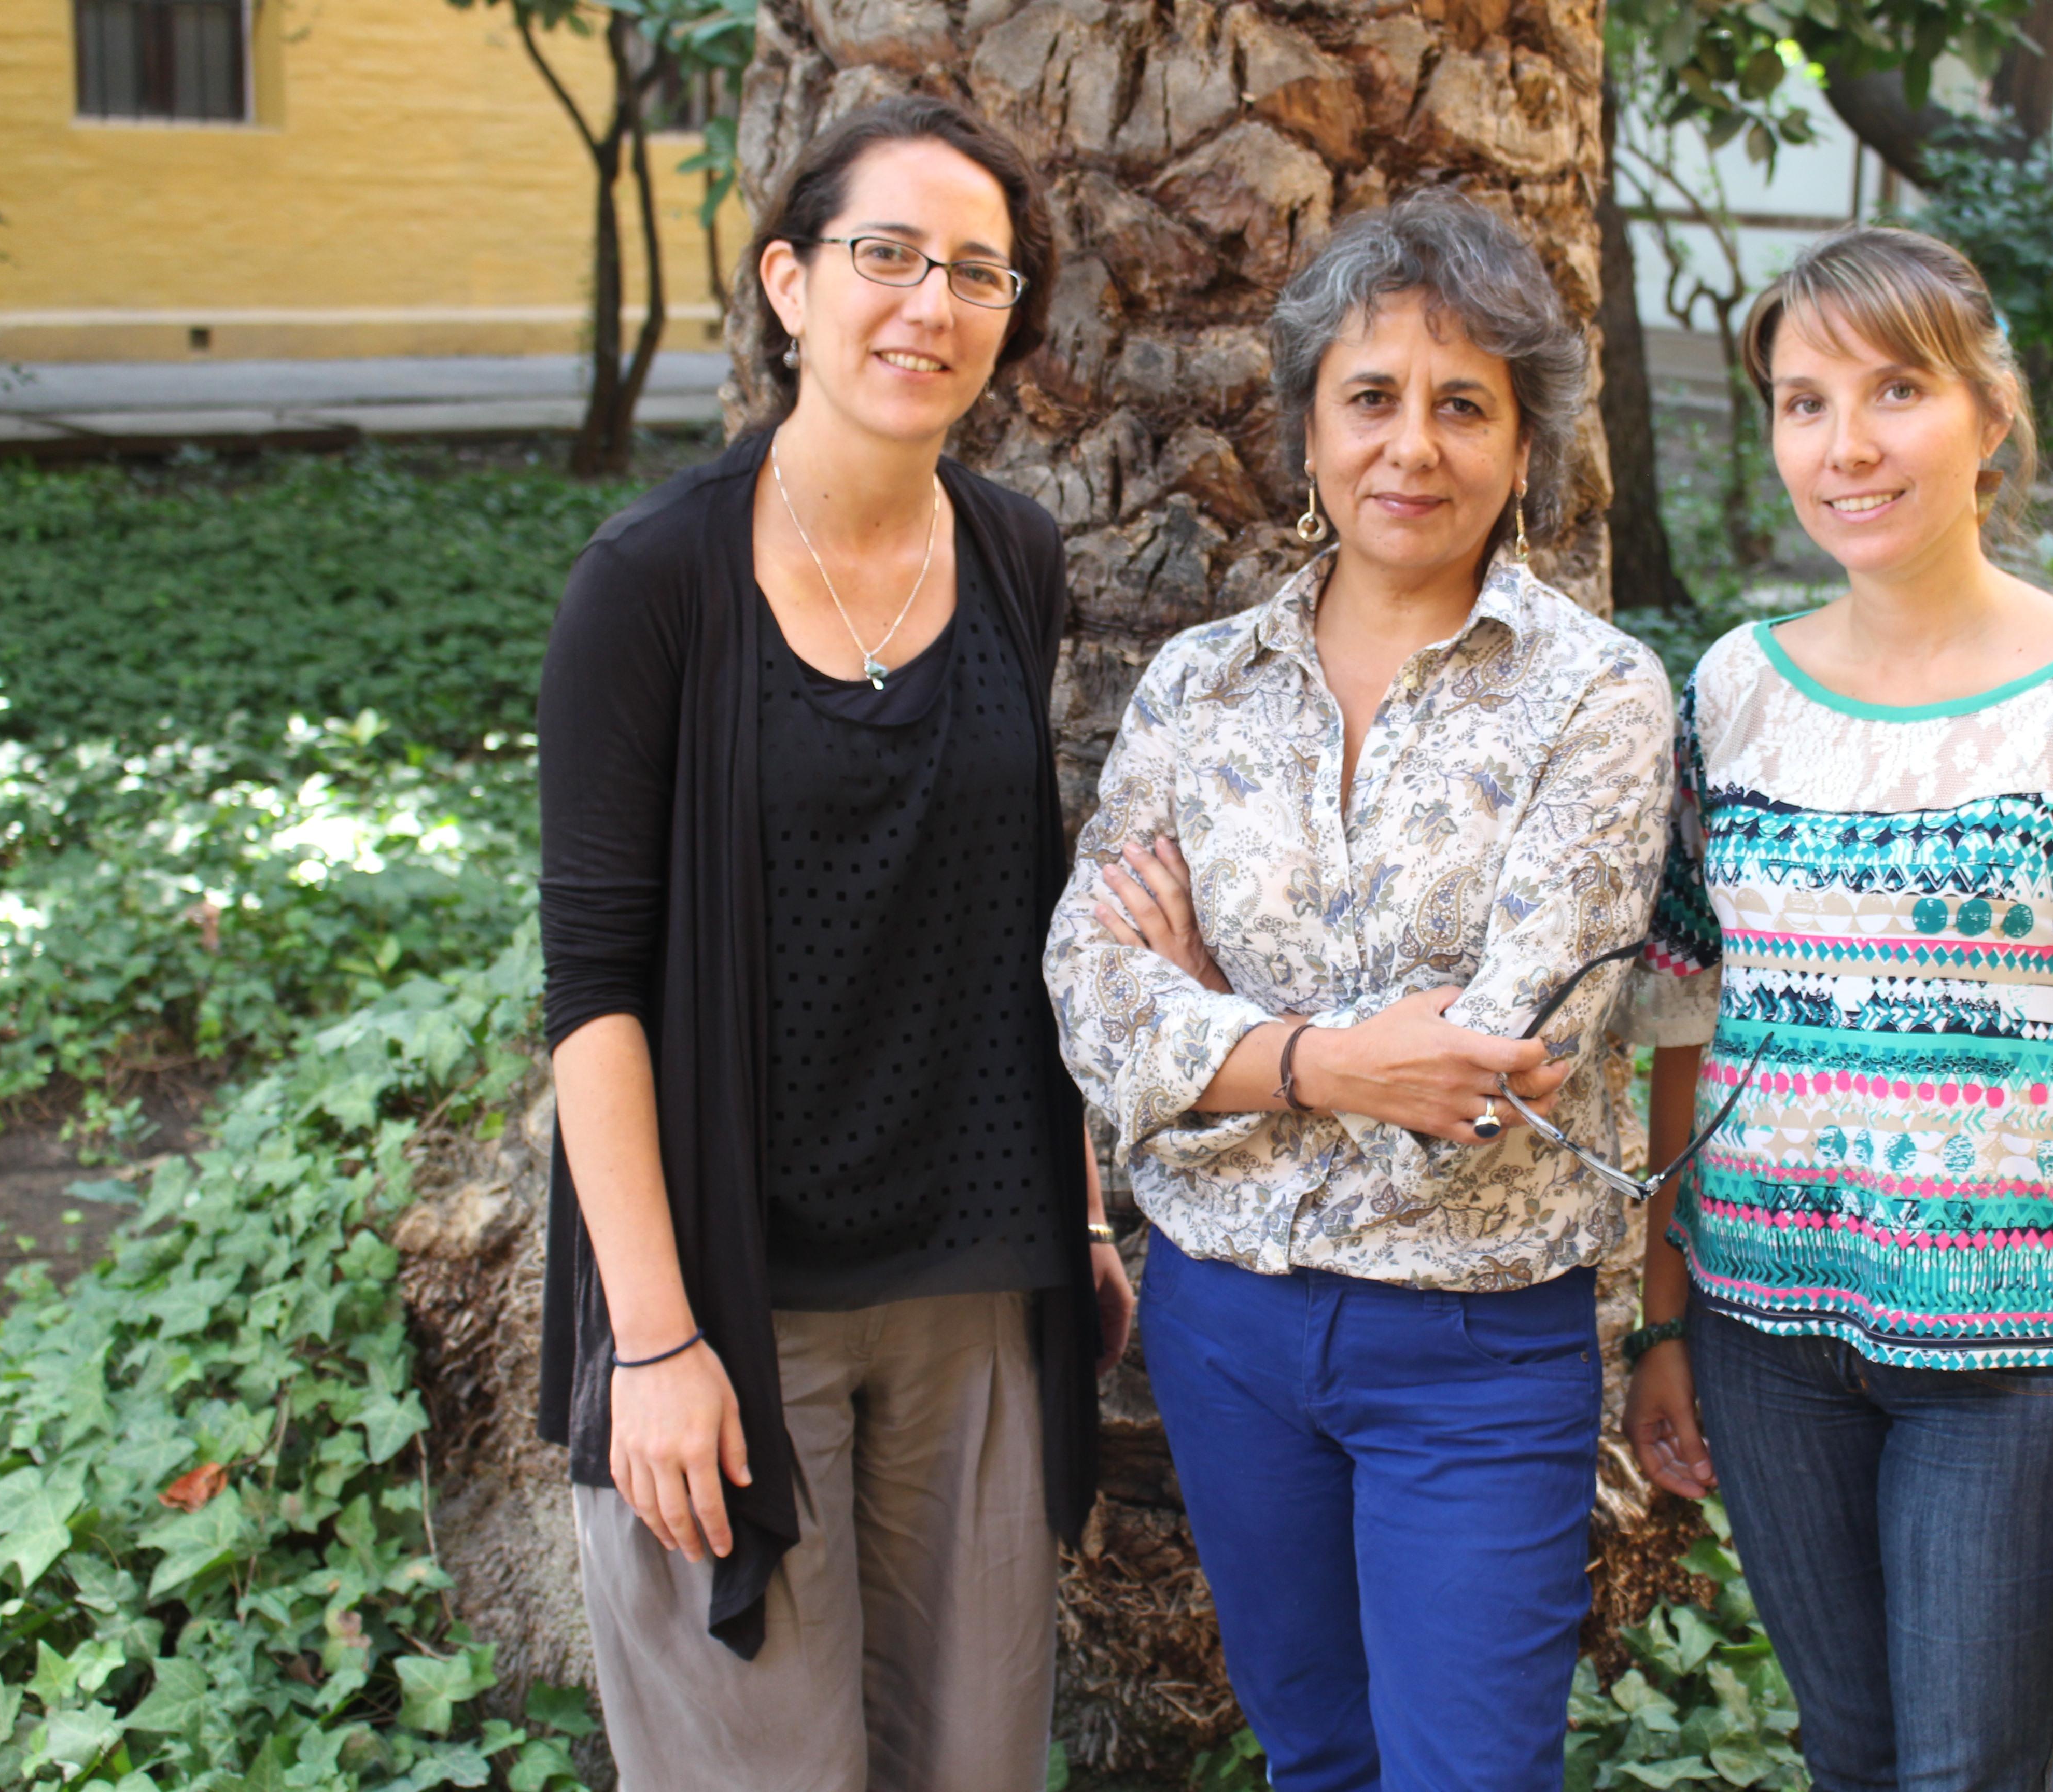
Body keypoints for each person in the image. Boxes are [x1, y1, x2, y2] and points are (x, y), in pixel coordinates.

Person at [1619, 226, 2053, 1791]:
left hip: (2021, 1362)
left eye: (1895, 390)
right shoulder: (1731, 692)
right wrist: (1663, 1319)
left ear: (1989, 414)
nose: (1844, 446)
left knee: (1971, 1769)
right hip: (1766, 1340)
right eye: (1800, 401)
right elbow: (1680, 1024)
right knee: (1849, 1754)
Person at [533, 96, 1132, 1792]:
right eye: (887, 257)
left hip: (975, 1283)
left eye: (976, 274)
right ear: (792, 284)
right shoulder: (650, 583)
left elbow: (1028, 911)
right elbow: (594, 993)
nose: (927, 306)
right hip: (728, 1299)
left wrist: (1079, 1207)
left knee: (973, 1764)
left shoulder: (1016, 553)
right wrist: (649, 1345)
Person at [1043, 191, 1676, 1792]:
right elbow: (1084, 984)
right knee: (1317, 1756)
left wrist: (1219, 1032)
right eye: (1372, 398)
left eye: (1465, 404)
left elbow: (1508, 1057)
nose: (1415, 445)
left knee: (1465, 1773)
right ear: (1310, 431)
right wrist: (1322, 1058)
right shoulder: (1200, 687)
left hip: (1470, 1343)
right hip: (1223, 1323)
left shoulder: (1596, 696)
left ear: (1525, 444)